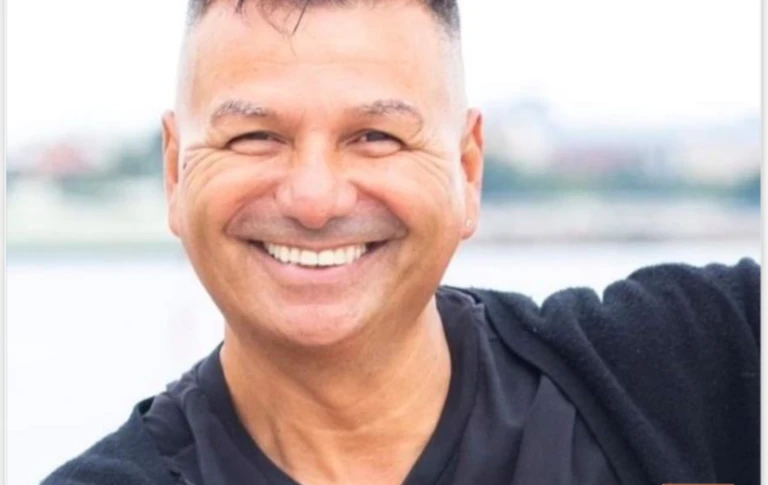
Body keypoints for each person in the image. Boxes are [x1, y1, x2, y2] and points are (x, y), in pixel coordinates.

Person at [43, 1, 760, 484]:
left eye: (376, 136)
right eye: (255, 136)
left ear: (467, 169)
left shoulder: (690, 369)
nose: (315, 199)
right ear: (175, 171)